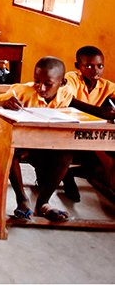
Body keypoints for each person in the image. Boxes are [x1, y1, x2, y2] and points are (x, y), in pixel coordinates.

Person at [0, 56, 74, 222]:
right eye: (36, 81)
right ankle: (22, 199)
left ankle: (43, 203)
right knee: (9, 148)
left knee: (66, 155)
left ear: (62, 83)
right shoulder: (21, 91)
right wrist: (4, 103)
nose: (41, 88)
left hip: (34, 137)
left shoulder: (66, 94)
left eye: (48, 84)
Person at [62, 46, 115, 201]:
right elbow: (68, 99)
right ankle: (65, 175)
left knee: (102, 163)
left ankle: (70, 174)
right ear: (78, 66)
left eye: (100, 66)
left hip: (90, 135)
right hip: (68, 130)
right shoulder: (71, 78)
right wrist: (99, 112)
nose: (95, 70)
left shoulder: (106, 85)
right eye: (89, 66)